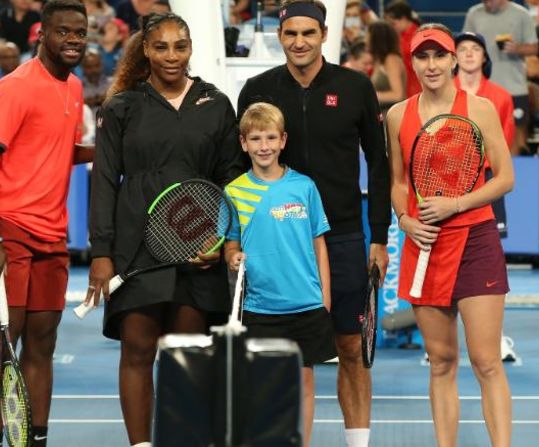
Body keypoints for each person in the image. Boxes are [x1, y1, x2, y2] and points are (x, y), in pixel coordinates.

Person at [85, 12, 244, 447]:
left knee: (187, 355)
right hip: (136, 246)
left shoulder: (216, 103)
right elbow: (104, 180)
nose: (172, 56)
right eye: (161, 47)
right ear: (146, 50)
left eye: (180, 46)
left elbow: (233, 177)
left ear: (191, 48)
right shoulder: (121, 106)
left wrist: (226, 237)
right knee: (137, 349)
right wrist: (101, 252)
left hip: (197, 247)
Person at [236, 2, 391, 446]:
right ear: (280, 37)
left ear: (324, 35)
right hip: (275, 244)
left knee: (350, 349)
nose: (299, 42)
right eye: (290, 34)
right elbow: (237, 166)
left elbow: (378, 166)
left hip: (342, 237)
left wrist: (378, 236)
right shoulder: (257, 88)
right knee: (285, 358)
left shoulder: (355, 87)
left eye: (308, 33)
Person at [0, 1, 91, 446]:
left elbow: (58, 151)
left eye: (80, 32)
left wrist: (110, 151)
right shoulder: (15, 87)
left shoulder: (74, 88)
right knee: (3, 345)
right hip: (7, 226)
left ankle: (35, 439)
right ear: (42, 35)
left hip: (51, 230)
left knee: (43, 345)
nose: (73, 39)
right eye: (63, 32)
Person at [384, 23, 514, 447]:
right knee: (441, 361)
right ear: (413, 63)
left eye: (439, 55)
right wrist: (404, 219)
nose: (432, 64)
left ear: (454, 59)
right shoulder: (398, 115)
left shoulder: (480, 109)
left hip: (475, 240)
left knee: (486, 361)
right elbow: (399, 182)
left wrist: (457, 204)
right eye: (422, 57)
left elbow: (505, 178)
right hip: (425, 244)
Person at [224, 102, 336, 447]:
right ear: (243, 143)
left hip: (306, 304)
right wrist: (232, 256)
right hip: (260, 308)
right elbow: (229, 244)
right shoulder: (234, 192)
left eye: (271, 137)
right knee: (264, 389)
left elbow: (319, 245)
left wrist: (325, 301)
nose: (264, 146)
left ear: (283, 140)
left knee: (304, 384)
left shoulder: (305, 187)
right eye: (256, 138)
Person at [454, 32, 515, 238]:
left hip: (489, 178)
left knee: (491, 240)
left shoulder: (502, 97)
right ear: (454, 57)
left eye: (476, 49)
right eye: (462, 49)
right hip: (450, 176)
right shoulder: (440, 93)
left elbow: (505, 140)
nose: (469, 54)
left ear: (485, 57)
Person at [463, 0, 538, 155]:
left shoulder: (521, 14)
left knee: (517, 140)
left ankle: (514, 178)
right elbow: (465, 44)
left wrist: (518, 48)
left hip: (514, 88)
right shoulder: (474, 14)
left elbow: (534, 47)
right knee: (478, 138)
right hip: (481, 89)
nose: (487, 3)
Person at [366, 20, 406, 112]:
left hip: (393, 117)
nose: (365, 40)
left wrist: (368, 95)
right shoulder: (379, 61)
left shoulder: (391, 59)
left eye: (367, 36)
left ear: (376, 38)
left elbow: (398, 95)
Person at [384, 0, 421, 97]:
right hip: (407, 88)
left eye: (392, 24)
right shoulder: (398, 37)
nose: (390, 28)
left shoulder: (418, 36)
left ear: (404, 19)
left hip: (416, 90)